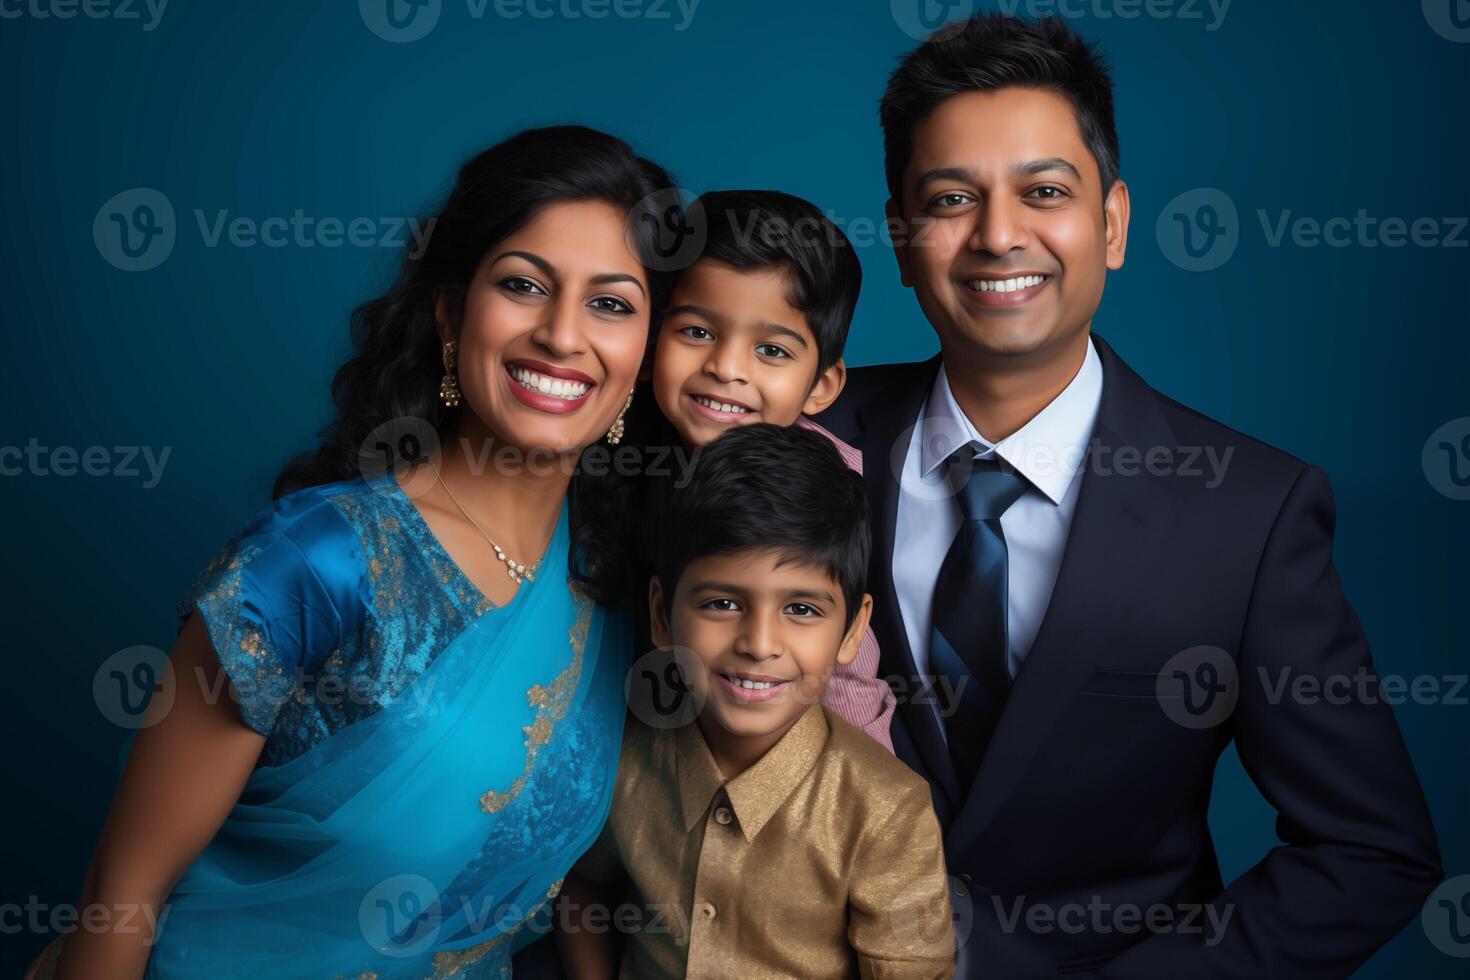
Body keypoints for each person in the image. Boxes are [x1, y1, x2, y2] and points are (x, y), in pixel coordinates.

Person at [816, 13, 1442, 978]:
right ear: (901, 239)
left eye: (1045, 191)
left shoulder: (1251, 513)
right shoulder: (796, 440)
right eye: (951, 198)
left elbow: (1371, 852)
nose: (997, 235)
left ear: (1111, 224)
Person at [34, 125, 678, 980]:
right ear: (452, 314)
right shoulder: (316, 563)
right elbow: (122, 896)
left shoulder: (617, 592)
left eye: (611, 303)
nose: (563, 336)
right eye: (523, 285)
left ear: (645, 352)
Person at [556, 424, 954, 980]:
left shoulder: (888, 813)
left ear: (853, 631)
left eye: (802, 610)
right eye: (722, 603)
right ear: (662, 615)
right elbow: (583, 886)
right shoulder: (622, 761)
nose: (759, 644)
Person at [640, 188, 896, 751]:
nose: (726, 368)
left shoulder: (823, 490)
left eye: (772, 351)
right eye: (698, 332)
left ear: (822, 385)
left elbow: (849, 674)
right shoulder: (621, 448)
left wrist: (868, 793)